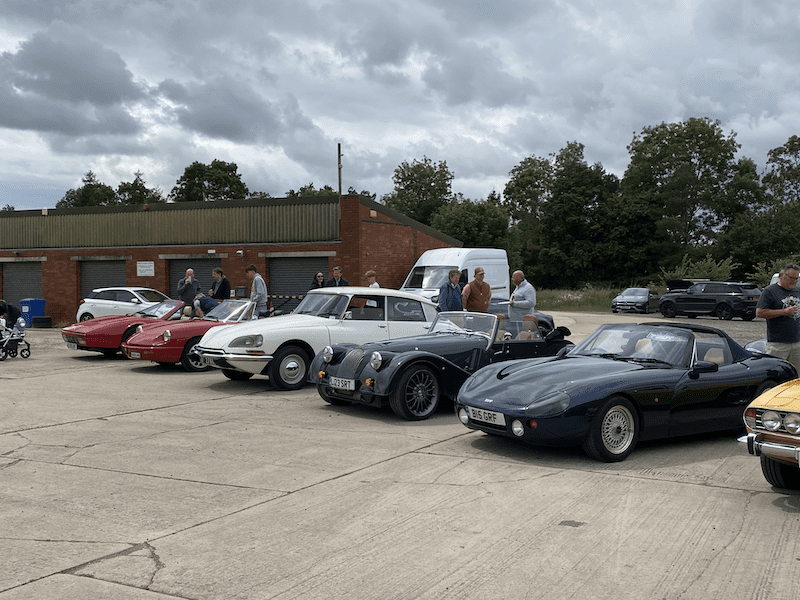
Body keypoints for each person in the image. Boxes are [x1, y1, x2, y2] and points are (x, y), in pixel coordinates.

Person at [756, 264, 800, 370]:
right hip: (778, 344)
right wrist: (784, 312)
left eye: (796, 278)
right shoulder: (769, 291)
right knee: (776, 374)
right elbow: (759, 313)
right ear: (781, 275)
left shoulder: (797, 291)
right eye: (791, 278)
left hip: (797, 343)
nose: (793, 281)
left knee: (796, 377)